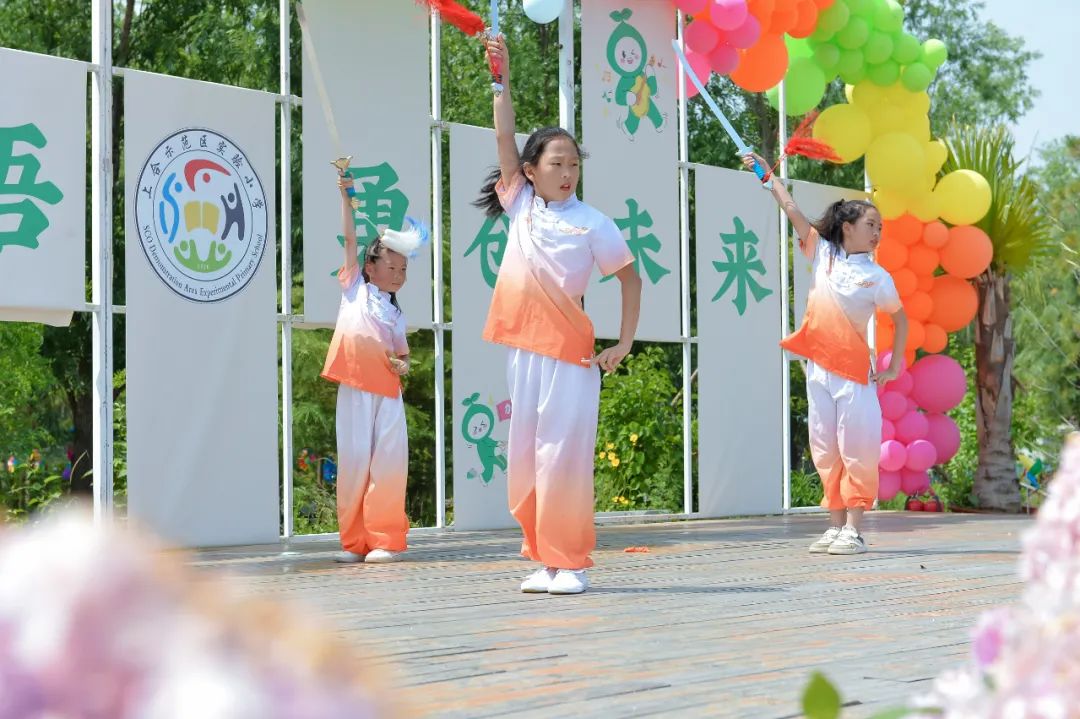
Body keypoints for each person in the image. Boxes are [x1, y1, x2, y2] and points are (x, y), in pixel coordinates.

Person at [475, 35, 642, 594]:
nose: (567, 172)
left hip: (572, 355)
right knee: (526, 455)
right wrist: (500, 77)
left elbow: (629, 278)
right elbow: (503, 133)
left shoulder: (594, 222)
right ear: (530, 170)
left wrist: (624, 341)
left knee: (562, 457)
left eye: (574, 164)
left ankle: (569, 561)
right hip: (526, 352)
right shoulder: (519, 202)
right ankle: (544, 558)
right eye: (557, 163)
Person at [742, 153, 908, 555]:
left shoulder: (877, 276)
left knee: (858, 449)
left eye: (880, 228)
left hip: (855, 376)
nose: (877, 233)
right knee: (824, 448)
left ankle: (854, 528)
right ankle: (834, 527)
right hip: (818, 370)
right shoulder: (823, 253)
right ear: (847, 227)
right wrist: (767, 175)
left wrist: (894, 366)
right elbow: (792, 209)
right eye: (871, 226)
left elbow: (900, 320)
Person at [321, 170, 427, 564]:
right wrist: (346, 197)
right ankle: (354, 542)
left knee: (389, 464)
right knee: (353, 463)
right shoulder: (354, 290)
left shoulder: (395, 315)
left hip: (388, 394)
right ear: (370, 266)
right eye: (393, 268)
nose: (399, 275)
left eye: (404, 270)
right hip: (355, 388)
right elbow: (350, 239)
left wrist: (401, 366)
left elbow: (403, 356)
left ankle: (383, 539)